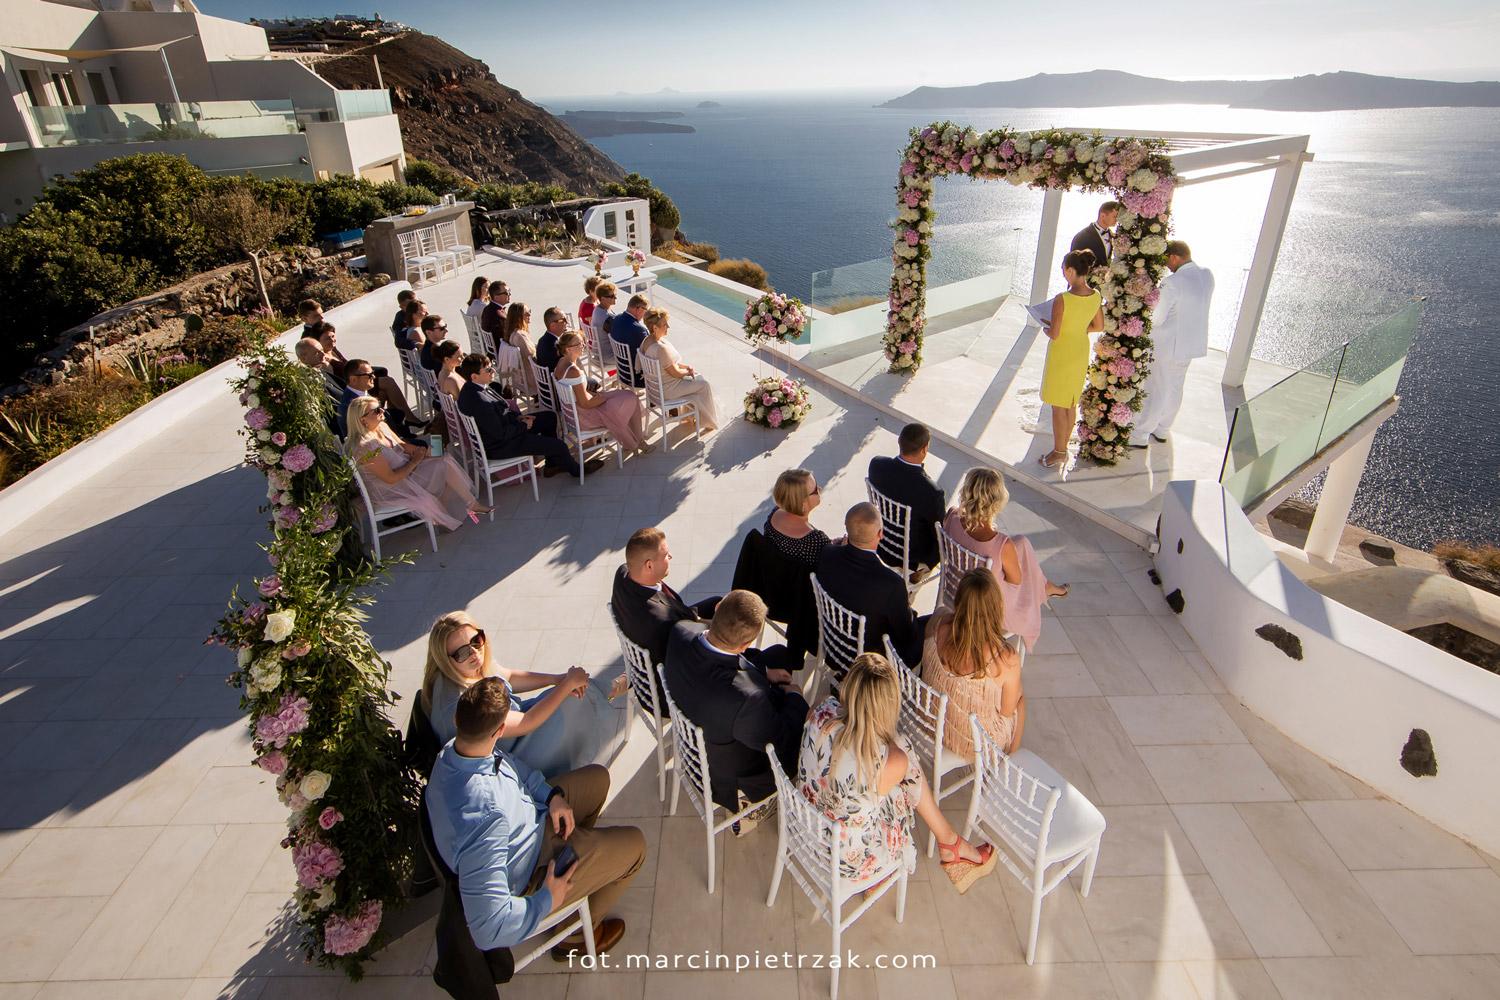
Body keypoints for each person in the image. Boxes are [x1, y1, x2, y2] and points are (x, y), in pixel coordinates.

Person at [425, 676, 642, 960]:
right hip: (531, 868)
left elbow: (512, 766)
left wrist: (551, 797)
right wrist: (546, 899)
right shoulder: (485, 818)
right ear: (501, 730)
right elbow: (488, 929)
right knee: (637, 846)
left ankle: (582, 864)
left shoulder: (457, 748)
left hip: (534, 819)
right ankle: (573, 937)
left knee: (598, 778)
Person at [799, 653, 996, 893]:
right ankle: (950, 844)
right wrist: (891, 736)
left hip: (805, 827)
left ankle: (950, 842)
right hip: (846, 861)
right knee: (903, 759)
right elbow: (894, 752)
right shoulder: (887, 761)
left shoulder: (822, 708)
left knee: (900, 757)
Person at [663, 591, 808, 826]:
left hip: (698, 727)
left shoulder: (680, 631)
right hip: (726, 774)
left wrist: (764, 673)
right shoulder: (747, 699)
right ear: (745, 645)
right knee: (804, 734)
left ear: (718, 608)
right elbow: (780, 741)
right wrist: (795, 698)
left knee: (779, 655)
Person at [421, 612, 627, 776]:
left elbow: (508, 677)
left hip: (514, 732)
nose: (474, 652)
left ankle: (609, 689)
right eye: (462, 652)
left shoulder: (465, 669)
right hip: (512, 758)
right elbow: (526, 722)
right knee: (572, 700)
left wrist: (557, 679)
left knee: (569, 693)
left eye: (476, 640)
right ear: (445, 659)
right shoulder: (462, 704)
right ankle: (612, 689)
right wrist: (566, 684)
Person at [942, 467, 1066, 651]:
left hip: (954, 586)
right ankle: (1044, 587)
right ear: (996, 502)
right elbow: (1016, 580)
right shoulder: (1001, 544)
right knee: (1027, 576)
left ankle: (1045, 585)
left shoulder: (952, 516)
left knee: (1022, 543)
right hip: (983, 601)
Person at [921, 570, 1026, 758]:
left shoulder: (937, 621)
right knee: (1020, 701)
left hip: (931, 719)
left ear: (959, 600)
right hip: (974, 744)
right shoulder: (1005, 659)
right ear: (996, 607)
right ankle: (1011, 758)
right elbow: (1007, 712)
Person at [343, 396, 488, 529]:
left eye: (381, 407)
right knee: (443, 467)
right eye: (376, 411)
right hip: (392, 489)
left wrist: (421, 451)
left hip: (406, 471)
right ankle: (461, 508)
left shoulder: (381, 427)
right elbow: (391, 478)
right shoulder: (365, 447)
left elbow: (401, 445)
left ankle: (450, 512)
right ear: (362, 420)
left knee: (444, 458)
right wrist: (415, 460)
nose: (382, 411)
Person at [457, 353, 598, 479]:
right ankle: (577, 471)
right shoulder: (479, 401)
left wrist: (518, 418)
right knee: (560, 446)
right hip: (502, 445)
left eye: (491, 367)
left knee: (549, 417)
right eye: (488, 370)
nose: (493, 371)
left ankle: (552, 464)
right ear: (474, 376)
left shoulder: (473, 387)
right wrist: (524, 425)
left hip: (506, 429)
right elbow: (500, 433)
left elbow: (500, 413)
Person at [1130, 240, 1215, 447]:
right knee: (1175, 386)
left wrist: (1143, 315)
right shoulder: (1207, 275)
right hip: (1191, 343)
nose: (1167, 265)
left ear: (1175, 257)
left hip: (1168, 344)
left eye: (1167, 260)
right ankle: (1162, 429)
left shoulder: (1173, 282)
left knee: (1156, 387)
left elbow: (1157, 318)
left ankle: (1140, 434)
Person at [815, 502, 922, 666]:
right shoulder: (892, 584)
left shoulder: (827, 553)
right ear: (880, 534)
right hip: (869, 663)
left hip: (833, 646)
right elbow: (906, 635)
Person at [611, 527, 722, 669]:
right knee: (732, 625)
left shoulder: (623, 573)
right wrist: (721, 623)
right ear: (649, 565)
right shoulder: (663, 620)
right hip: (676, 657)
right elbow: (692, 633)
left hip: (666, 625)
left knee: (716, 602)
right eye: (665, 555)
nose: (670, 557)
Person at [1038, 249, 1104, 469]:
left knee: (1058, 405)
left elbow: (1055, 334)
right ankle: (1062, 449)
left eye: (1063, 269)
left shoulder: (1063, 299)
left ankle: (1059, 453)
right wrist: (1077, 328)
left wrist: (1045, 327)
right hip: (1080, 350)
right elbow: (1098, 326)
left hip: (1062, 352)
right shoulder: (1096, 296)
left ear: (1070, 270)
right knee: (1070, 402)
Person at [866, 422, 943, 579]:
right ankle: (919, 572)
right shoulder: (931, 492)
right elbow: (939, 531)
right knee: (940, 534)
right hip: (909, 557)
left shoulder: (877, 465)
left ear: (899, 442)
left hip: (881, 541)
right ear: (924, 449)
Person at [553, 332, 646, 453]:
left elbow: (580, 394)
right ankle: (636, 442)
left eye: (583, 342)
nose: (583, 345)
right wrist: (604, 397)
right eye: (579, 344)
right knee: (630, 398)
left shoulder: (561, 362)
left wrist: (603, 395)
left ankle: (636, 441)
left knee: (626, 396)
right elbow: (585, 404)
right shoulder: (573, 371)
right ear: (568, 349)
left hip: (575, 413)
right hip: (585, 416)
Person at [639, 307, 719, 433]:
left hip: (656, 390)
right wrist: (689, 372)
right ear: (655, 327)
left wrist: (686, 367)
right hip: (667, 391)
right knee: (704, 385)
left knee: (696, 379)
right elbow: (676, 374)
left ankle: (690, 417)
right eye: (665, 324)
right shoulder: (660, 348)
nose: (668, 327)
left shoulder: (646, 341)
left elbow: (668, 364)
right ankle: (708, 422)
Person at [763, 468, 832, 570]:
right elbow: (831, 564)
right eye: (815, 490)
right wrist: (840, 549)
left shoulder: (774, 514)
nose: (820, 489)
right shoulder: (815, 540)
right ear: (802, 502)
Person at [610, 294, 650, 387]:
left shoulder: (616, 319)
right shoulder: (639, 330)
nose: (645, 314)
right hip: (636, 378)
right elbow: (650, 355)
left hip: (621, 372)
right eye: (646, 311)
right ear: (639, 309)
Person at [1069, 200, 1120, 273]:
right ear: (1103, 216)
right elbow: (1074, 263)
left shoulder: (1113, 236)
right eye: (1114, 216)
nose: (1117, 219)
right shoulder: (1082, 237)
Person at [294, 337, 343, 402]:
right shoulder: (306, 382)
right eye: (317, 352)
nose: (323, 354)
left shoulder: (323, 371)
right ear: (303, 358)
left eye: (322, 350)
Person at [504, 302, 538, 394]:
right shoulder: (520, 336)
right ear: (518, 317)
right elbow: (532, 358)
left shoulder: (513, 333)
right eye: (526, 313)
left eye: (530, 311)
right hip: (532, 378)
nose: (530, 315)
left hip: (520, 377)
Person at [588, 282, 618, 364]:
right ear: (602, 298)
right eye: (612, 296)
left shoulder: (597, 309)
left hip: (598, 352)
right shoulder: (606, 317)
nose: (615, 297)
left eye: (615, 295)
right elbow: (619, 336)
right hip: (607, 355)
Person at [536, 306, 566, 373]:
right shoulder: (554, 346)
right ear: (553, 325)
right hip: (555, 378)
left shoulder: (542, 339)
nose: (566, 322)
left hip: (547, 377)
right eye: (563, 320)